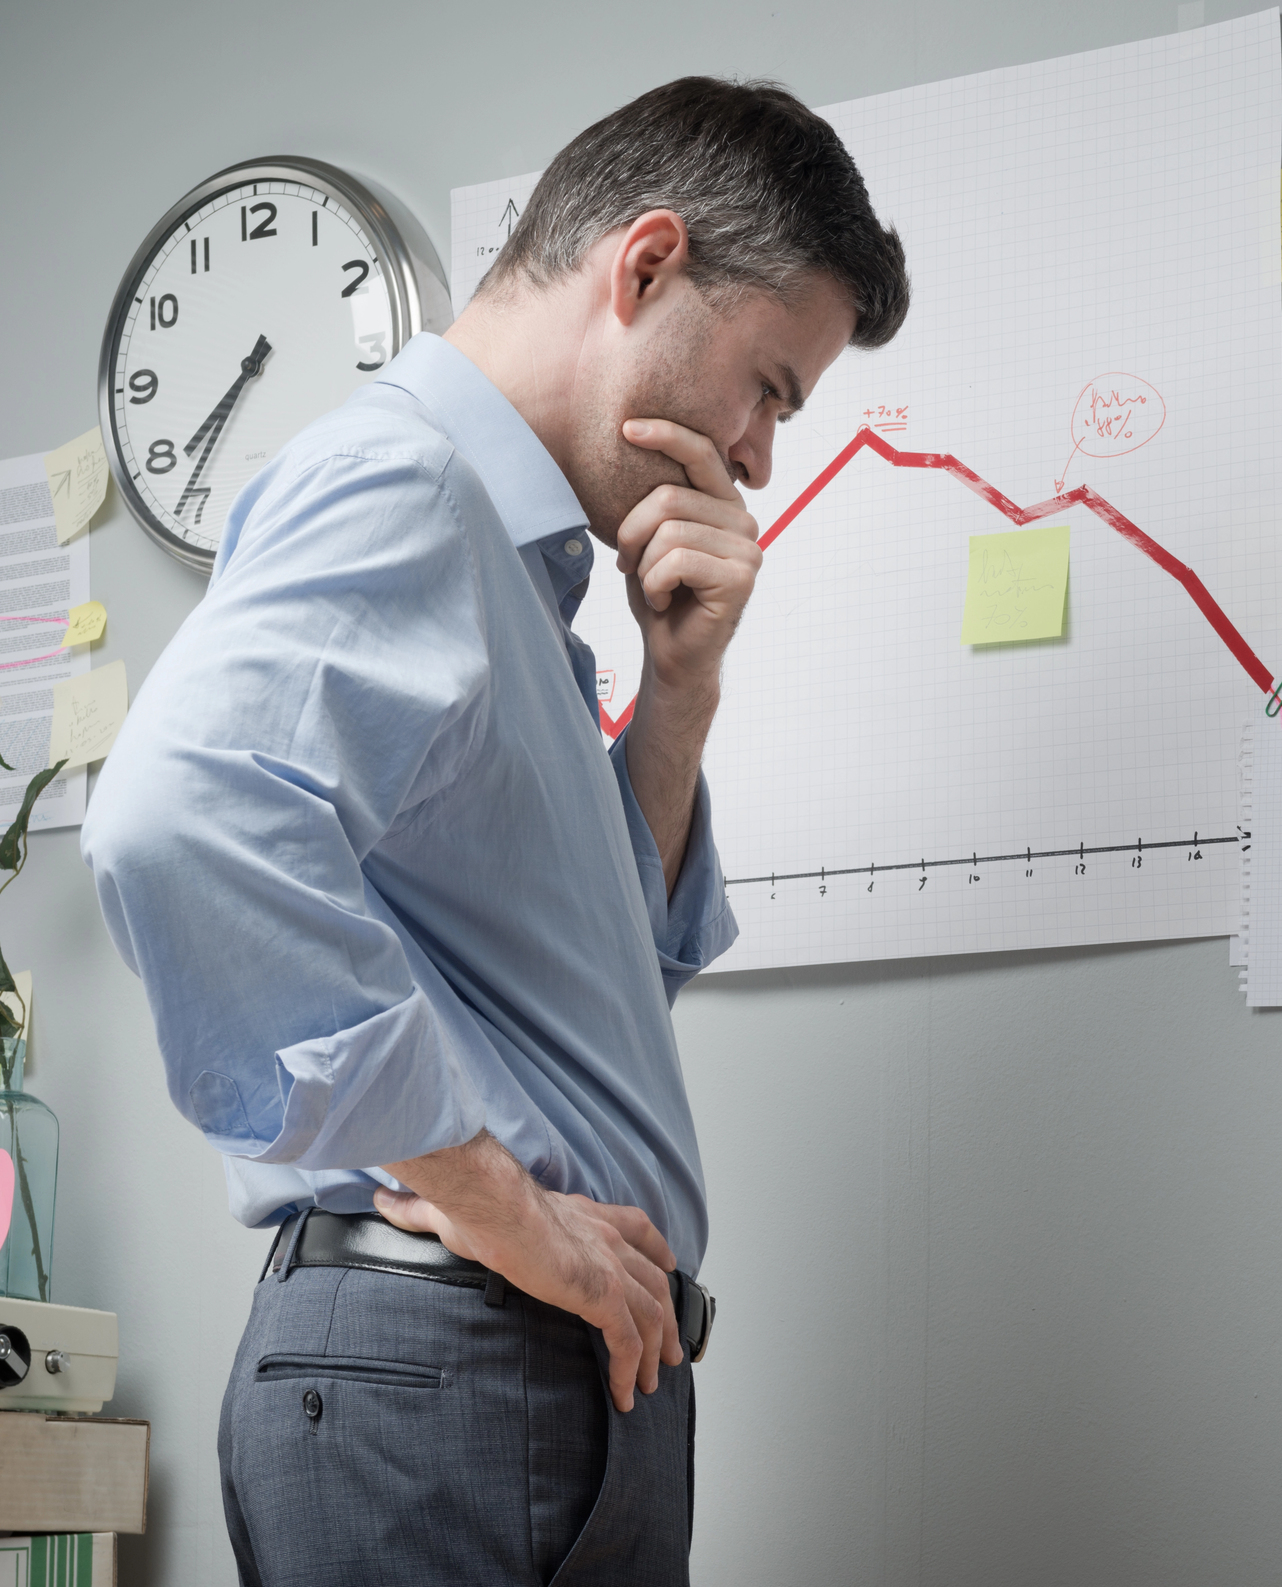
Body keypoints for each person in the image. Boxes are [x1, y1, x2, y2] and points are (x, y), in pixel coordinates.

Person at [81, 76, 908, 1586]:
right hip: (453, 1364)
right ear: (646, 266)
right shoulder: (409, 483)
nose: (762, 452)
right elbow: (173, 816)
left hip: (533, 1378)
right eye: (772, 386)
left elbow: (589, 992)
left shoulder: (520, 575)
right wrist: (499, 1203)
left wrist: (677, 694)